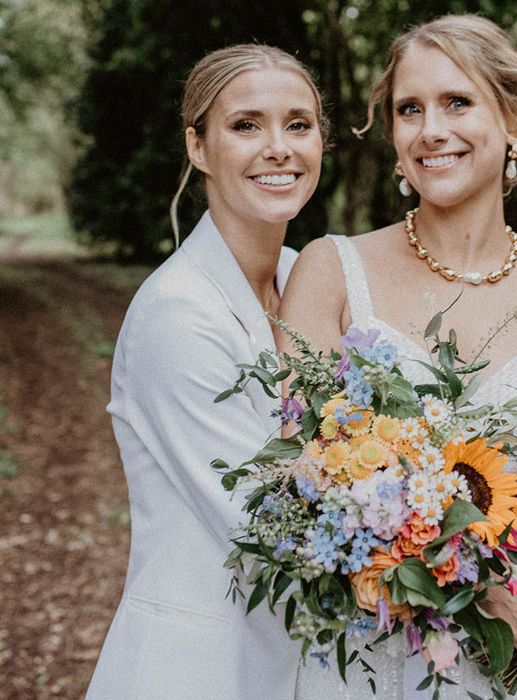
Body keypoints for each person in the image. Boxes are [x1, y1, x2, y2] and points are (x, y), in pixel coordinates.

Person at [279, 14, 517, 700]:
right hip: (375, 660)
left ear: (516, 122)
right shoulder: (331, 271)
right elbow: (300, 474)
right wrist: (489, 589)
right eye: (410, 109)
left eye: (457, 103)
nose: (430, 129)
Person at [86, 44, 325, 699]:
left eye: (298, 124)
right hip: (198, 664)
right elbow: (268, 525)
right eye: (246, 125)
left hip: (306, 658)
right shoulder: (176, 313)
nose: (279, 147)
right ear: (197, 147)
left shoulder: (310, 280)